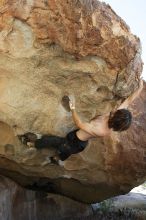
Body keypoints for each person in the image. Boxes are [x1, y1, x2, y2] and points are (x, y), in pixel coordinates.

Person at [19, 80, 143, 164]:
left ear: (115, 119)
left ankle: (34, 145)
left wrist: (73, 109)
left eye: (116, 112)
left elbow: (80, 124)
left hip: (74, 143)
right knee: (64, 151)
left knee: (53, 142)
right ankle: (58, 158)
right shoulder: (116, 116)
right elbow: (130, 100)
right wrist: (140, 87)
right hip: (80, 139)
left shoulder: (101, 130)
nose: (115, 109)